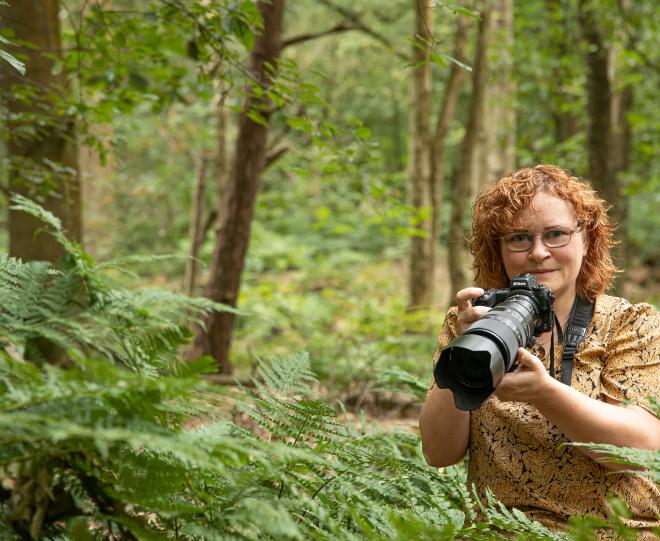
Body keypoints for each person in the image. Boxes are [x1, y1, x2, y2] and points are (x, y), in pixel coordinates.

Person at [419, 165, 660, 539]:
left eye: (556, 234)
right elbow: (439, 452)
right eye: (518, 238)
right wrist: (468, 348)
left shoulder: (630, 324)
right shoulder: (468, 324)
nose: (538, 252)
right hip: (503, 533)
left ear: (587, 240)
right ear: (497, 249)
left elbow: (641, 451)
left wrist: (545, 393)